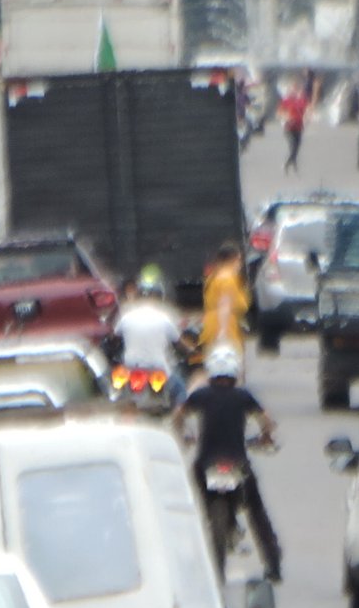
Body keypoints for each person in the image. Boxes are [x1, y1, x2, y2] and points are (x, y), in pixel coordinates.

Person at [173, 346, 282, 582]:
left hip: (206, 463)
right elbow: (267, 421)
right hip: (237, 462)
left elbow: (178, 415)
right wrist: (266, 437)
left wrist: (184, 435)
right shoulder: (243, 396)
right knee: (255, 510)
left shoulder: (200, 395)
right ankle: (273, 563)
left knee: (199, 505)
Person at [114, 269, 187, 400]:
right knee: (181, 391)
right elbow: (180, 342)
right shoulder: (165, 318)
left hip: (131, 367)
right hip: (158, 367)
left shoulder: (126, 316)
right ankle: (178, 417)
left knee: (117, 394)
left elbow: (115, 337)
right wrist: (193, 351)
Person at [197, 241, 250, 372]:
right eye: (239, 260)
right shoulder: (227, 278)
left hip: (212, 325)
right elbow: (224, 305)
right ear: (234, 259)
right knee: (229, 367)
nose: (240, 264)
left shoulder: (215, 276)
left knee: (212, 366)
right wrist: (223, 331)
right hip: (224, 326)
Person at [278, 81, 310, 174]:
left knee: (297, 147)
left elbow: (307, 111)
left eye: (296, 90)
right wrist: (286, 117)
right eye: (292, 90)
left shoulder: (301, 101)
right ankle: (286, 164)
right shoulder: (286, 101)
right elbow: (279, 113)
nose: (293, 92)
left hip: (299, 127)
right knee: (293, 147)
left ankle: (293, 163)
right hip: (289, 128)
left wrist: (307, 118)